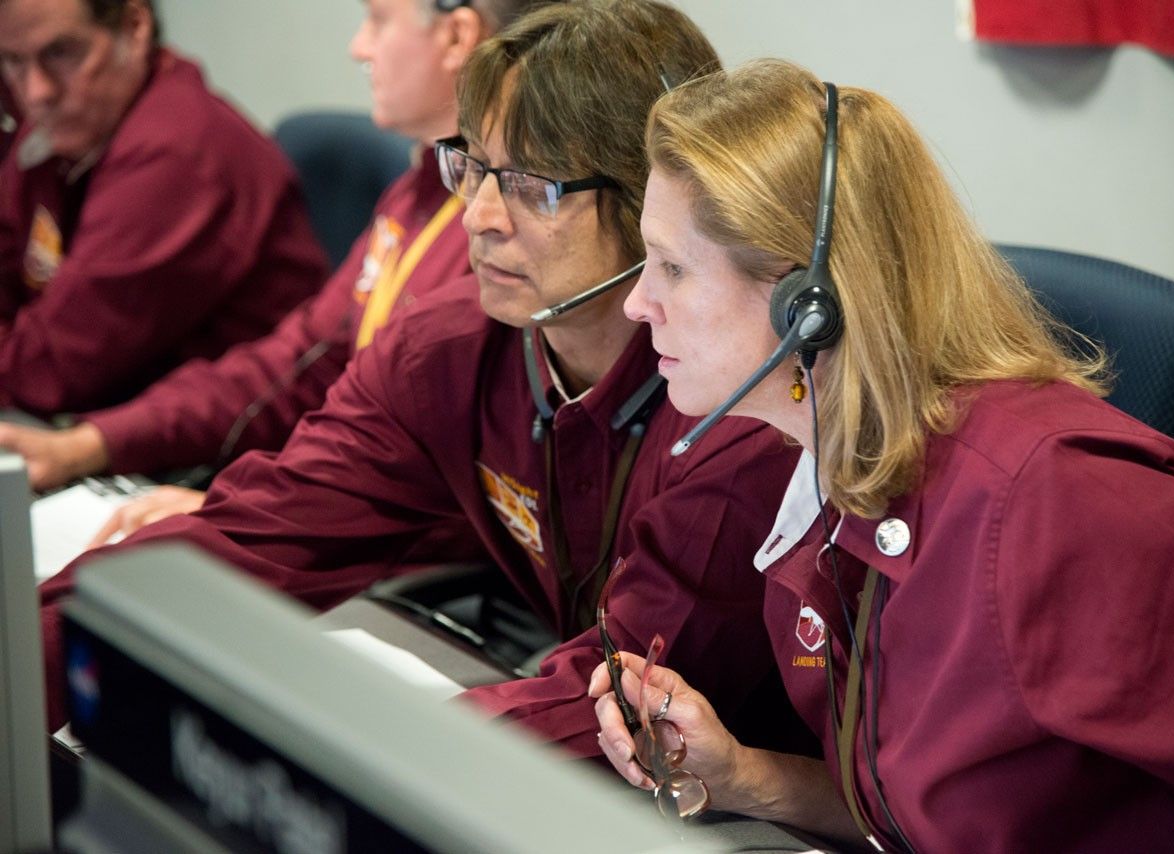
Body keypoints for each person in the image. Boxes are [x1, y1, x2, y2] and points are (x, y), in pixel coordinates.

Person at [41, 0, 815, 769]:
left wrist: (342, 758)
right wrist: (33, 647)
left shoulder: (744, 406)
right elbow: (254, 536)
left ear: (653, 202)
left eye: (532, 186)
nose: (478, 217)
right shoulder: (444, 348)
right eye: (471, 165)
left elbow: (623, 699)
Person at [592, 59, 1174, 850]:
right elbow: (925, 814)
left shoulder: (1056, 498)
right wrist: (748, 779)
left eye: (672, 267)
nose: (636, 303)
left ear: (807, 304)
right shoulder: (831, 475)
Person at [0, 0, 531, 542]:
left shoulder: (501, 232)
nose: (358, 47)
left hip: (413, 555)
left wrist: (247, 509)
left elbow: (460, 485)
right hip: (335, 502)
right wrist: (96, 442)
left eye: (376, 19)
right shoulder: (416, 189)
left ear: (457, 36)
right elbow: (296, 365)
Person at [0, 0, 327, 418]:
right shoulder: (59, 131)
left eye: (62, 53)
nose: (35, 92)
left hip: (224, 451)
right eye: (12, 62)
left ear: (135, 26)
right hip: (117, 421)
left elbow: (51, 369)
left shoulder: (179, 153)